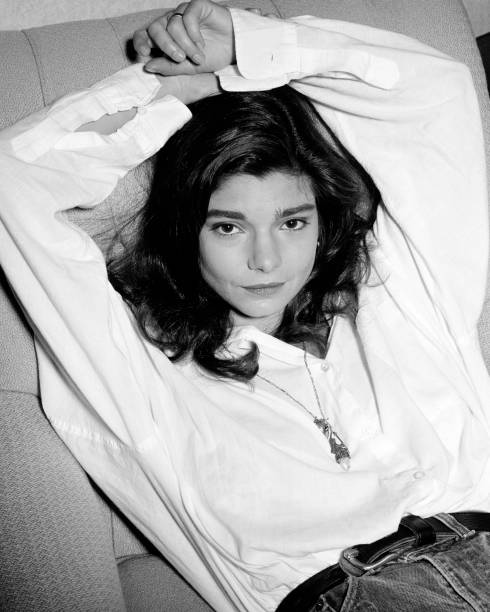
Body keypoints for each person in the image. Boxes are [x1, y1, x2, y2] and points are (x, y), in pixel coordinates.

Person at [0, 1, 489, 610]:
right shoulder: (145, 378)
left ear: (322, 224)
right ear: (187, 232)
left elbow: (434, 91)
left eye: (292, 222)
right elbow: (10, 181)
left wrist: (248, 53)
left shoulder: (400, 297)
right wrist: (173, 90)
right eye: (228, 227)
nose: (266, 259)